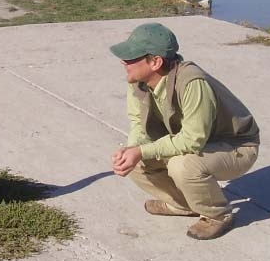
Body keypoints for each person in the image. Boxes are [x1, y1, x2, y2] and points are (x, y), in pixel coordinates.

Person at [110, 23, 260, 240]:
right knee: (134, 160)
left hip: (236, 147)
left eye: (132, 57)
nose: (124, 61)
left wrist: (142, 151)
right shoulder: (138, 81)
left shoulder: (192, 82)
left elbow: (192, 140)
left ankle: (218, 215)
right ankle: (183, 204)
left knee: (183, 165)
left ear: (155, 61)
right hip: (198, 143)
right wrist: (132, 150)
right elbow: (138, 124)